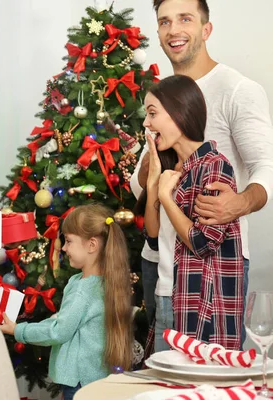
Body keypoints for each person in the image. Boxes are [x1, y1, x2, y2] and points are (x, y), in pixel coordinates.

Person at [132, 0, 273, 349]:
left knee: (210, 375)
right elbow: (139, 184)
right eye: (164, 22)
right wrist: (152, 170)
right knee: (165, 372)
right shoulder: (162, 96)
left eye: (185, 19)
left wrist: (239, 203)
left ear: (206, 29)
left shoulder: (238, 90)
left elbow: (266, 167)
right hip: (158, 262)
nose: (173, 30)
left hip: (209, 266)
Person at [0, 204, 133, 400]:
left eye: (69, 241)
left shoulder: (83, 290)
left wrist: (17, 330)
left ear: (92, 245)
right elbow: (67, 322)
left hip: (81, 383)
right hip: (94, 379)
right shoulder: (98, 282)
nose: (63, 248)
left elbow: (58, 332)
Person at [144, 75, 244, 350]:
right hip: (164, 297)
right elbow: (152, 237)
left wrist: (166, 197)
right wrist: (154, 182)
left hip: (198, 305)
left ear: (179, 112)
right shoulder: (169, 170)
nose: (146, 123)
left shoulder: (215, 166)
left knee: (198, 392)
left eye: (152, 113)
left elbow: (202, 242)